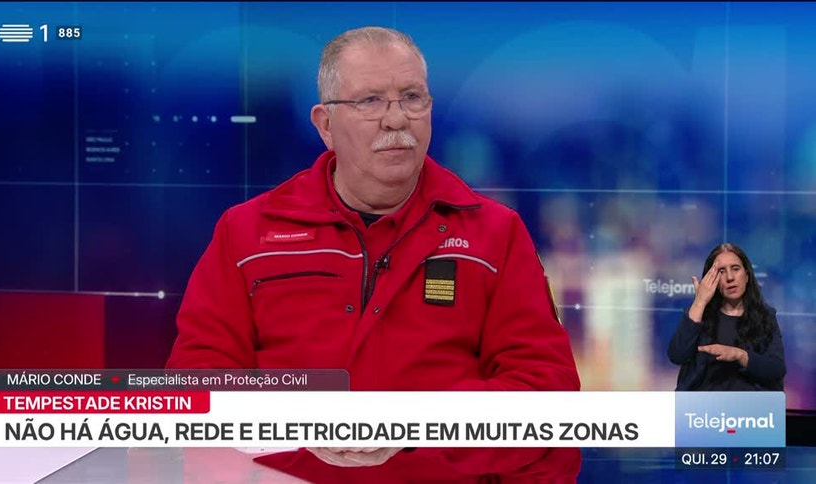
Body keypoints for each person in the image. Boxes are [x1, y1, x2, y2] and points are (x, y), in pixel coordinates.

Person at [166, 26, 581, 480]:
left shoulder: (495, 235)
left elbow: (545, 397)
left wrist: (417, 425)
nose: (396, 119)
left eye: (412, 98)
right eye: (370, 101)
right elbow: (197, 387)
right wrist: (294, 420)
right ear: (325, 125)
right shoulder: (246, 234)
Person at [667, 243, 786, 391]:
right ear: (712, 280)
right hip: (704, 403)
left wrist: (740, 355)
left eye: (735, 269)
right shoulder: (700, 315)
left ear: (747, 275)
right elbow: (677, 355)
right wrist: (699, 302)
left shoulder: (765, 317)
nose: (730, 277)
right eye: (721, 272)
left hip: (750, 404)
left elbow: (777, 369)